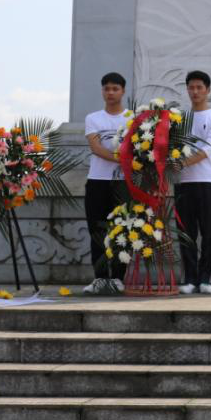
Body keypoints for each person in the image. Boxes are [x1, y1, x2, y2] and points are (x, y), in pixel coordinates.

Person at [174, 70, 211, 294]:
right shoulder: (180, 120)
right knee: (186, 233)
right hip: (183, 183)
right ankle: (190, 279)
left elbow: (207, 149)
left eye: (199, 88)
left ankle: (206, 279)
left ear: (208, 90)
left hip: (207, 181)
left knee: (209, 232)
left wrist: (181, 163)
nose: (195, 92)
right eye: (191, 87)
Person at [82, 72, 129, 295]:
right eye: (107, 89)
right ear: (102, 91)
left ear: (123, 91)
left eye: (115, 89)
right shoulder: (93, 118)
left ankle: (118, 277)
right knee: (97, 230)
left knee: (123, 231)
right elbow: (96, 148)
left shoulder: (132, 119)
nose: (110, 93)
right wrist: (122, 159)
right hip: (97, 181)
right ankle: (100, 277)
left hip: (123, 183)